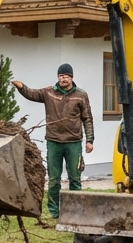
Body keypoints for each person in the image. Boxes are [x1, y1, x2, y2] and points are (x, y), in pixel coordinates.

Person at [12, 63, 94, 219]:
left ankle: (75, 210)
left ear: (71, 78)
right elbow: (32, 94)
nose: (64, 79)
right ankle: (54, 211)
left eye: (66, 76)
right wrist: (21, 87)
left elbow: (87, 118)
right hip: (53, 141)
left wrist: (90, 140)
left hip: (73, 143)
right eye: (61, 76)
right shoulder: (49, 92)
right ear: (58, 77)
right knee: (54, 179)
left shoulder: (81, 95)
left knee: (75, 178)